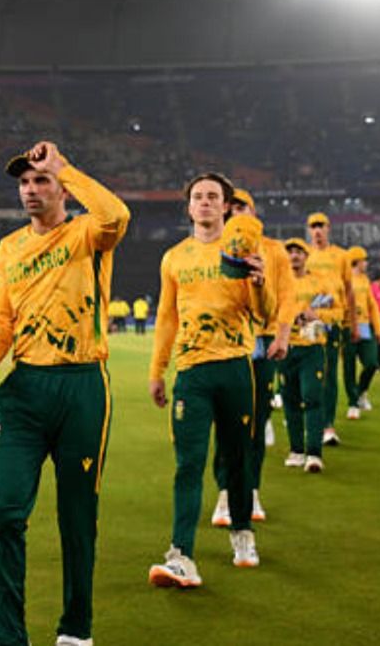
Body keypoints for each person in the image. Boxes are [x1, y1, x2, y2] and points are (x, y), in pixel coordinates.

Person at [0, 143, 129, 646]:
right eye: (24, 182)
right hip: (25, 392)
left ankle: (75, 630)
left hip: (83, 386)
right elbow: (3, 319)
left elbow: (117, 214)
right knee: (5, 512)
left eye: (40, 181)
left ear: (62, 187)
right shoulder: (9, 247)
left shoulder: (88, 233)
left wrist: (64, 166)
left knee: (77, 516)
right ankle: (9, 637)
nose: (31, 190)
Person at [147, 172, 273, 588]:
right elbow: (166, 318)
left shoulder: (241, 252)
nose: (204, 202)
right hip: (191, 372)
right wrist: (157, 370)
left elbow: (263, 314)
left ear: (225, 207)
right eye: (198, 196)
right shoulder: (174, 258)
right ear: (189, 207)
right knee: (188, 464)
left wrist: (258, 283)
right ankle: (181, 554)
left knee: (238, 458)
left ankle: (242, 532)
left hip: (237, 367)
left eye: (212, 197)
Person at [209, 189, 295, 527]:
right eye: (232, 207)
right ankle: (225, 494)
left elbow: (288, 295)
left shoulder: (273, 250)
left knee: (255, 424)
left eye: (243, 206)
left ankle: (252, 489)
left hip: (262, 344)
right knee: (226, 423)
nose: (238, 212)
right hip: (225, 345)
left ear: (255, 212)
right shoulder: (212, 249)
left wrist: (283, 334)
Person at [279, 238, 333, 473]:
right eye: (289, 251)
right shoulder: (279, 282)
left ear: (306, 255)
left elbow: (336, 311)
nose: (294, 255)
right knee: (290, 401)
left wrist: (316, 314)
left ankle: (313, 453)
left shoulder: (320, 282)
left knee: (312, 398)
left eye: (299, 251)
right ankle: (296, 450)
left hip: (312, 348)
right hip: (286, 348)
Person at [305, 212, 355, 447]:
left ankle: (328, 425)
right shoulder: (304, 255)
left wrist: (352, 322)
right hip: (309, 322)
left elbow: (348, 289)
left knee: (329, 374)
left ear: (328, 228)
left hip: (333, 322)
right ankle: (309, 420)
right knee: (308, 373)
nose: (317, 230)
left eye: (320, 226)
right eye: (313, 226)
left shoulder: (341, 256)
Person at [344, 247, 380, 418]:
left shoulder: (365, 279)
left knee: (372, 363)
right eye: (364, 260)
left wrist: (378, 329)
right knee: (349, 367)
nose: (366, 263)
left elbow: (372, 305)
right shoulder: (344, 278)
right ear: (357, 261)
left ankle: (360, 392)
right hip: (347, 327)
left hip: (366, 326)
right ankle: (353, 403)